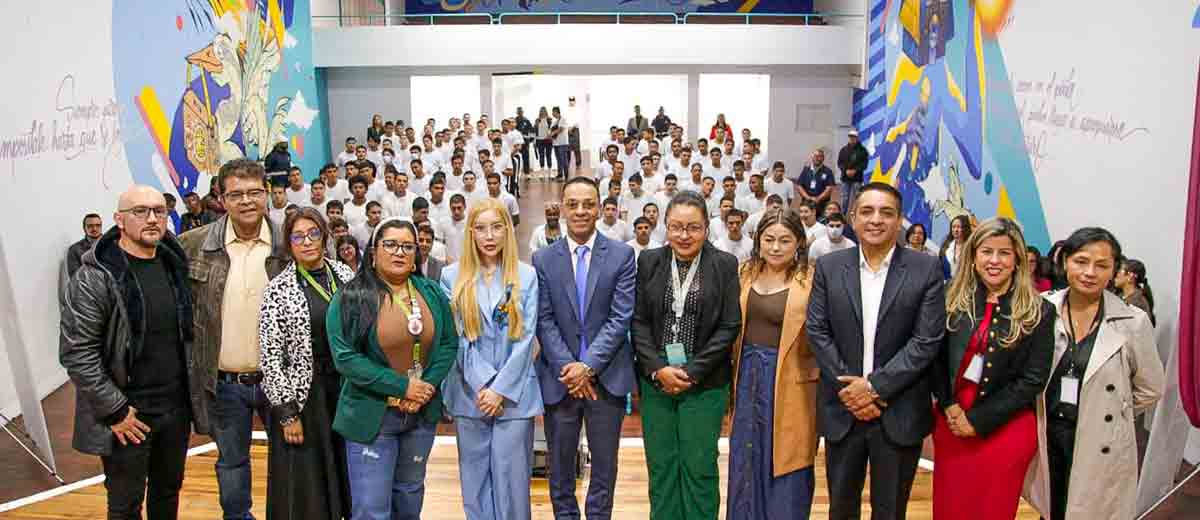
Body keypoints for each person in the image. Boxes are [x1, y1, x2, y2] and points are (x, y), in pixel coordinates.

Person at [805, 182, 947, 520]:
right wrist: (851, 390)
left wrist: (873, 388)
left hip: (898, 409)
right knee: (841, 508)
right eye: (867, 211)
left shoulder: (924, 268)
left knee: (890, 510)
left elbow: (925, 341)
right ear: (853, 218)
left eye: (887, 212)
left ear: (900, 221)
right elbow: (817, 331)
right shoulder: (829, 266)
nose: (876, 220)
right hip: (843, 409)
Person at [60, 186, 202, 520]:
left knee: (167, 495)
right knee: (125, 506)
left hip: (174, 411)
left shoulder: (174, 265)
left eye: (159, 211)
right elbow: (77, 353)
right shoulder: (94, 278)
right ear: (119, 220)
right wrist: (116, 411)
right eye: (140, 211)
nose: (152, 218)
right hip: (127, 417)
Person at [1024, 227, 1165, 520]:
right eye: (1081, 261)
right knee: (1052, 508)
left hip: (1099, 442)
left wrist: (1108, 411)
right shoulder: (1041, 309)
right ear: (1065, 262)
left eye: (1102, 265)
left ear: (1114, 271)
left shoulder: (1133, 322)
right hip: (1049, 435)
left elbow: (1151, 388)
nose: (1090, 272)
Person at [327, 218, 459, 520]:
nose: (399, 252)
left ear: (416, 255)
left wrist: (424, 388)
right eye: (390, 244)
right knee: (372, 509)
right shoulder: (350, 297)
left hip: (419, 415)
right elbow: (345, 358)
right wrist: (402, 387)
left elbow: (449, 343)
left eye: (407, 246)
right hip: (372, 415)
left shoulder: (431, 292)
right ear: (373, 252)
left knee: (410, 498)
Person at [180, 158, 288, 520]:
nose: (246, 201)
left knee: (290, 461)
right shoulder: (192, 246)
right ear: (221, 199)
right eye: (236, 194)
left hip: (281, 382)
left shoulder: (289, 244)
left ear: (267, 195)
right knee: (232, 464)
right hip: (224, 383)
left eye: (255, 192)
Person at [929, 218, 1055, 520]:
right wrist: (950, 407)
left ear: (1018, 261)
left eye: (1004, 253)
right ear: (973, 257)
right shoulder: (949, 298)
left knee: (993, 509)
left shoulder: (1040, 310)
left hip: (1006, 428)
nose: (995, 261)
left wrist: (979, 420)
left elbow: (1033, 379)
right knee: (950, 508)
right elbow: (934, 359)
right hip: (951, 424)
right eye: (987, 252)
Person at [533, 177, 637, 520]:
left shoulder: (622, 255)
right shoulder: (543, 258)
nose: (580, 211)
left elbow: (620, 318)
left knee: (604, 471)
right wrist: (570, 368)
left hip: (605, 380)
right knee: (560, 472)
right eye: (573, 203)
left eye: (588, 204)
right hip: (559, 379)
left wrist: (587, 367)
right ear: (562, 207)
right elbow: (543, 320)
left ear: (601, 208)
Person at [633, 191, 741, 520]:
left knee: (699, 468)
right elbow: (638, 322)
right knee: (662, 468)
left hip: (705, 383)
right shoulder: (649, 261)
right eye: (676, 227)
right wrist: (658, 369)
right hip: (657, 381)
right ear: (664, 227)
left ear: (707, 228)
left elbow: (729, 325)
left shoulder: (724, 264)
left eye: (693, 228)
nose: (684, 235)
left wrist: (692, 371)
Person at [440, 198, 542, 520]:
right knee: (476, 484)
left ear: (508, 231)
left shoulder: (526, 276)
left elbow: (526, 340)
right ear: (470, 233)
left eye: (497, 227)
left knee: (512, 484)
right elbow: (456, 339)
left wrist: (500, 390)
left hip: (514, 397)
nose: (489, 235)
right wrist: (485, 385)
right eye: (481, 228)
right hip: (469, 394)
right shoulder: (450, 276)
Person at [257, 208, 355, 520]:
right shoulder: (278, 289)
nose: (307, 242)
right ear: (288, 244)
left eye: (314, 234)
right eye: (298, 236)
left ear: (325, 236)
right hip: (306, 397)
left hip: (347, 390)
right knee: (308, 485)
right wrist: (287, 414)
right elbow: (271, 357)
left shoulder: (347, 276)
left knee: (351, 476)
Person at [723, 208, 821, 519]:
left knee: (788, 461)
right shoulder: (743, 273)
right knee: (745, 457)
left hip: (791, 380)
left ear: (799, 243)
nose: (775, 247)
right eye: (769, 239)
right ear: (758, 241)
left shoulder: (812, 280)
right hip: (747, 376)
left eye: (784, 240)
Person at [1115, 258, 1155, 325]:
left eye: (1120, 271)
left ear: (1130, 276)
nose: (1116, 274)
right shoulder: (1119, 297)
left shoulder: (1138, 304)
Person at [837, 130, 869, 212]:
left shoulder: (863, 150)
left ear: (857, 138)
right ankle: (842, 215)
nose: (852, 138)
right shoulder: (843, 150)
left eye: (854, 137)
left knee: (857, 198)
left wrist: (855, 170)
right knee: (844, 198)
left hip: (857, 179)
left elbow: (864, 165)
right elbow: (839, 163)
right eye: (850, 137)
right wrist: (845, 171)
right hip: (845, 178)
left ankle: (856, 214)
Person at [796, 149, 835, 216]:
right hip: (807, 203)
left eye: (820, 156)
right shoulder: (806, 170)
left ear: (823, 158)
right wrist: (808, 198)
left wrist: (818, 199)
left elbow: (829, 188)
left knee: (822, 223)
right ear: (812, 157)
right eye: (815, 156)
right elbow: (799, 186)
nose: (817, 158)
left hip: (822, 204)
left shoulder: (828, 171)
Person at [67, 213, 103, 278]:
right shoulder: (75, 249)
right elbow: (75, 278)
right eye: (90, 226)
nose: (94, 228)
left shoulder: (112, 245)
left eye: (98, 225)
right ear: (84, 228)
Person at [551, 106, 572, 181]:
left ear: (557, 112)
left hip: (562, 143)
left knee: (564, 159)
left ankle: (566, 176)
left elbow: (560, 129)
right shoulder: (555, 121)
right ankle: (560, 174)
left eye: (553, 112)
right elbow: (552, 129)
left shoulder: (563, 119)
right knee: (558, 160)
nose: (552, 113)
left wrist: (551, 134)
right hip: (556, 143)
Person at [535, 107, 554, 177]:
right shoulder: (537, 120)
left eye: (544, 111)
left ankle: (550, 173)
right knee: (541, 156)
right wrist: (535, 141)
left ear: (546, 111)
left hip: (548, 140)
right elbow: (535, 130)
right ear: (540, 112)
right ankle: (542, 173)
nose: (542, 112)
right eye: (541, 111)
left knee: (549, 156)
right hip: (540, 140)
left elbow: (552, 129)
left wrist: (550, 134)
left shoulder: (549, 120)